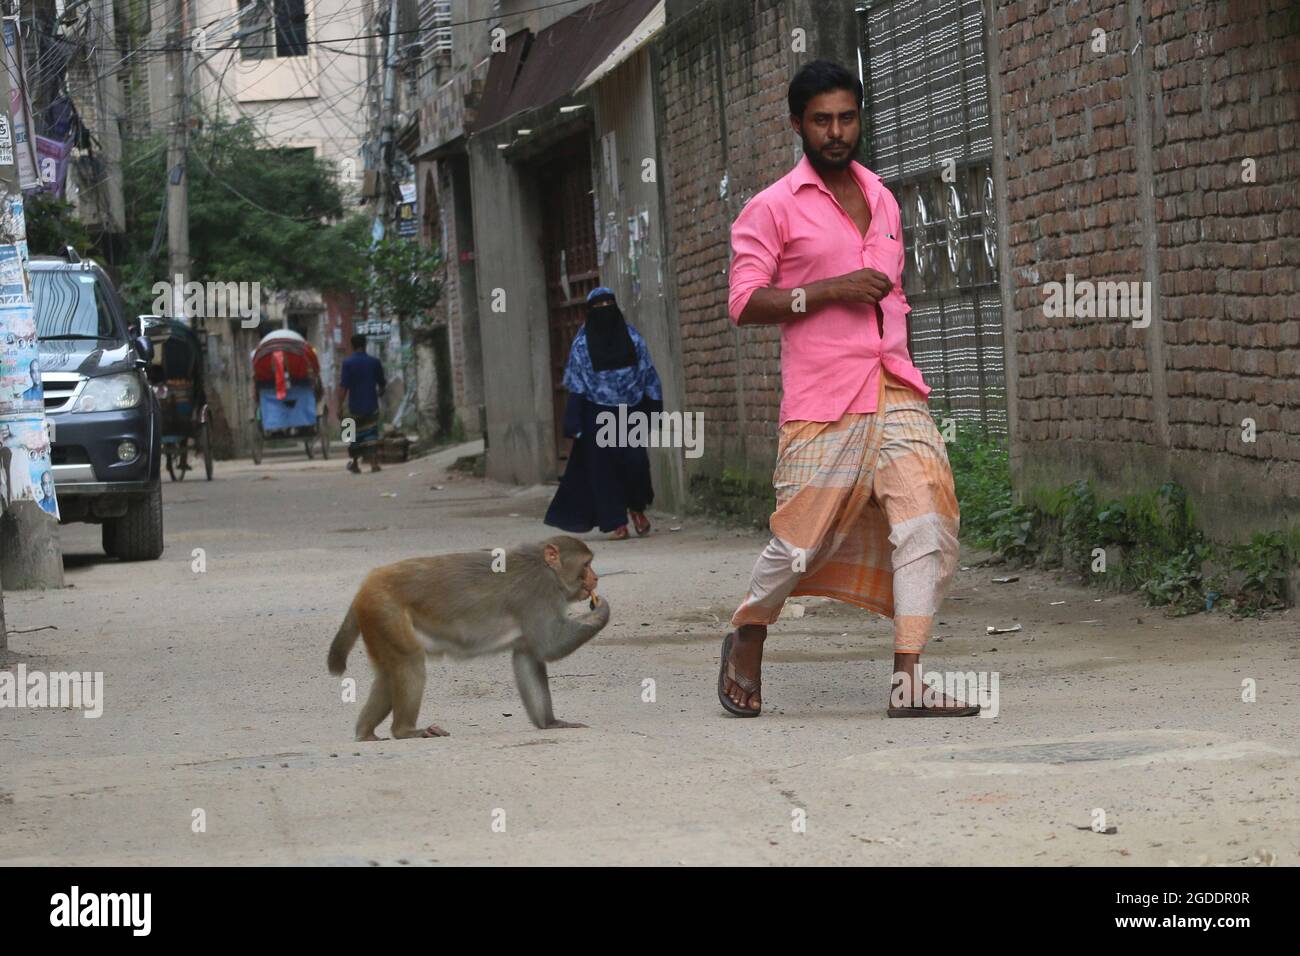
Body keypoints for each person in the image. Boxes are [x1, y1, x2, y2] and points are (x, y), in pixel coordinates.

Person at [719, 60, 978, 719]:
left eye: (847, 117)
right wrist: (828, 290)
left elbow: (893, 298)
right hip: (823, 397)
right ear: (798, 125)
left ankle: (909, 680)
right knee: (800, 541)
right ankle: (748, 631)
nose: (836, 132)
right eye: (822, 120)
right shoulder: (771, 208)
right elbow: (744, 303)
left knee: (929, 519)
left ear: (860, 118)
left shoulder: (884, 198)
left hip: (894, 387)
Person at [544, 287, 662, 540]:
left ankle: (637, 509)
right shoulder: (582, 345)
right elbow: (577, 384)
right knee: (603, 470)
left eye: (609, 304)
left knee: (636, 464)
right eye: (598, 306)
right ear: (590, 312)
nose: (604, 310)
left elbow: (648, 373)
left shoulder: (634, 339)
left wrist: (654, 406)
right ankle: (615, 521)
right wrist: (574, 421)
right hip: (597, 413)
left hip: (631, 412)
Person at [337, 333, 386, 474]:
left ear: (352, 346)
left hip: (354, 406)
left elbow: (343, 387)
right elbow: (382, 384)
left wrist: (340, 406)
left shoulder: (347, 363)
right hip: (371, 404)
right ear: (365, 345)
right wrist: (380, 392)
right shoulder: (374, 362)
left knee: (350, 434)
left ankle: (354, 463)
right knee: (371, 433)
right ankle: (374, 463)